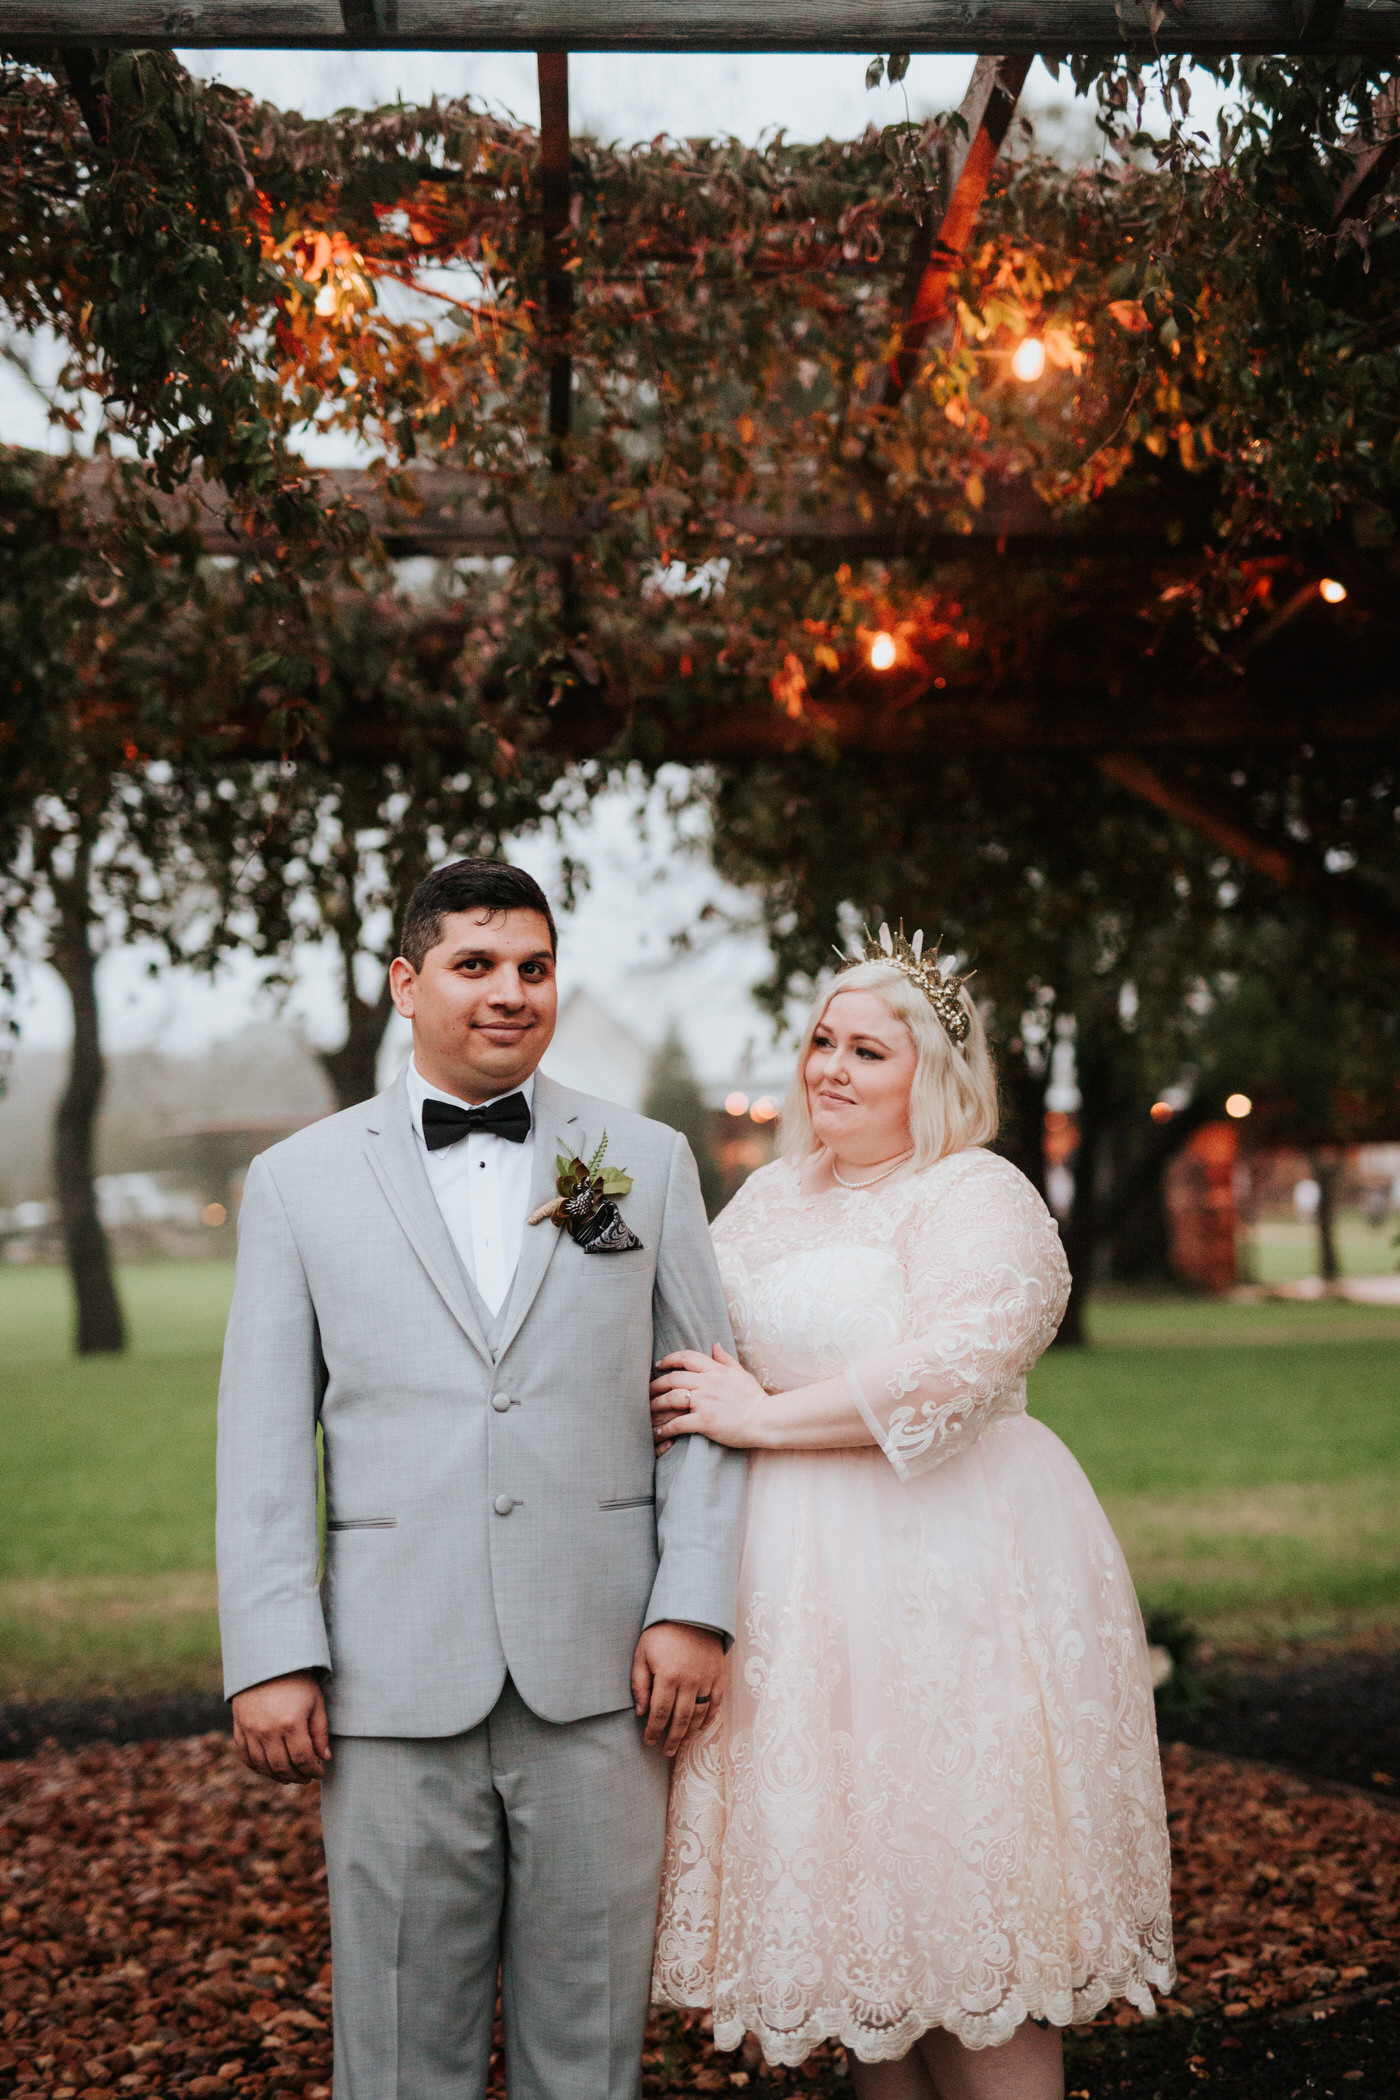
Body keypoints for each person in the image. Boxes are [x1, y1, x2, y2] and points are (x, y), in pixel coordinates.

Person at [216, 857, 747, 2100]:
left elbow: (708, 1401)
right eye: (475, 965)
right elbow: (261, 1434)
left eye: (534, 967)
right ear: (406, 983)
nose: (510, 992)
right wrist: (271, 1647)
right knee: (398, 2047)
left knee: (591, 2044)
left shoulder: (646, 1160)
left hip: (606, 1673)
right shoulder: (297, 1181)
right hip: (387, 1678)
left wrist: (693, 1605)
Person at [650, 927, 1175, 2100]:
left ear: (928, 1077)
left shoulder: (972, 1192)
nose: (827, 1068)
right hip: (795, 1592)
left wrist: (757, 1419)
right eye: (820, 1042)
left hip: (947, 1577)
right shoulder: (769, 1197)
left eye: (866, 1051)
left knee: (961, 1898)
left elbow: (961, 1363)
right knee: (864, 1946)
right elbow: (693, 1340)